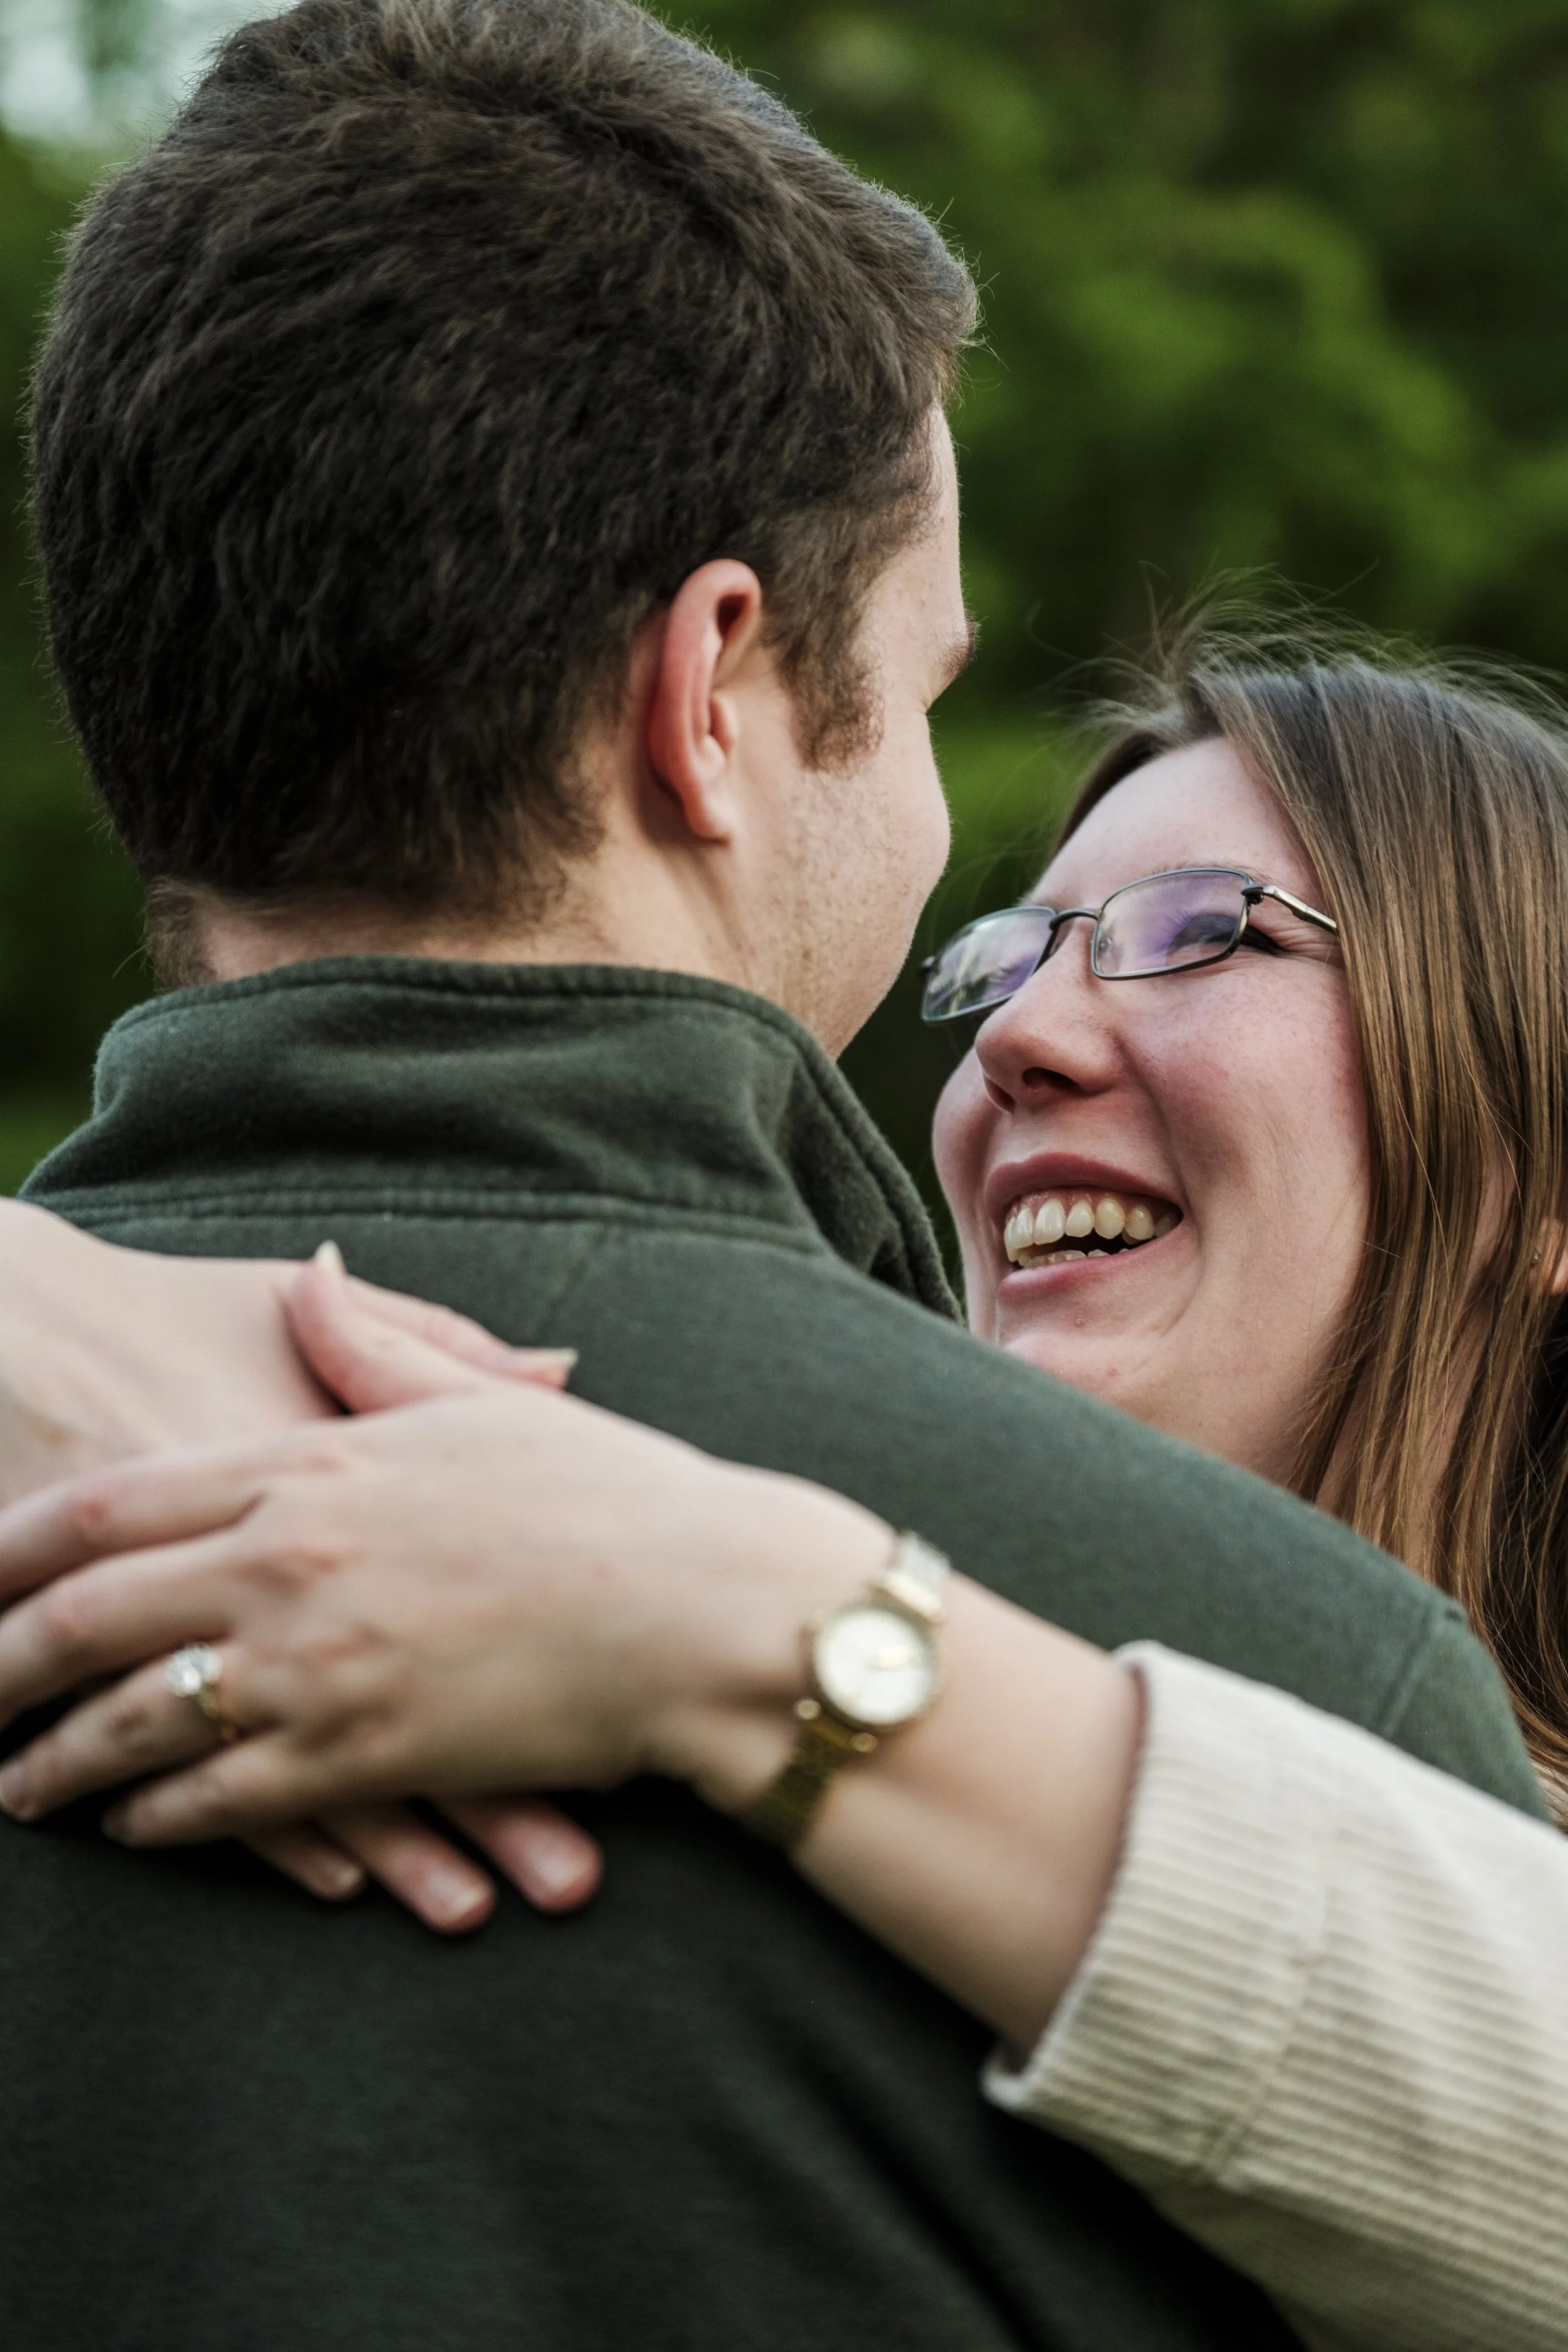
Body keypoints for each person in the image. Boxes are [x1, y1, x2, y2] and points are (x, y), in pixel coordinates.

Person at [0, 0, 1540, 2345]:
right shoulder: (1319, 1678)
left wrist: (757, 1617)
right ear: (708, 692)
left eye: (1209, 933)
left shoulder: (1355, 1761)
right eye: (933, 717)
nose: (1013, 1008)